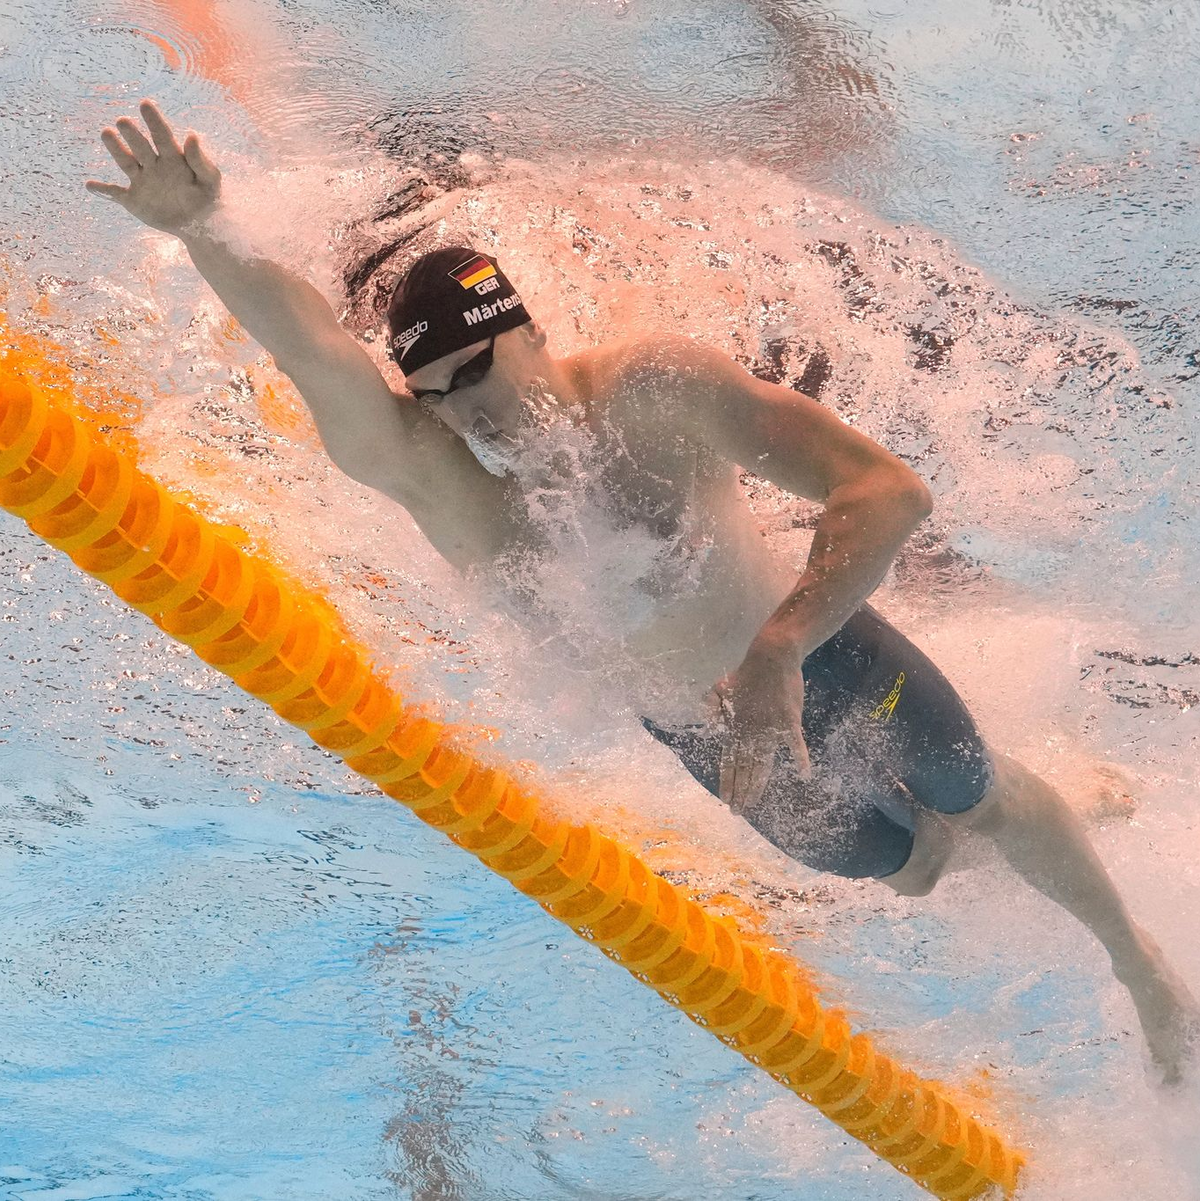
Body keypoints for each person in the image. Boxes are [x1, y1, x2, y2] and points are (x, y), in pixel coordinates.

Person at [86, 99, 1199, 1087]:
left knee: (975, 791)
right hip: (725, 751)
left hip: (828, 656)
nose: (467, 411)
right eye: (435, 394)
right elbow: (319, 355)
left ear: (527, 330)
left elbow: (889, 491)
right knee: (912, 870)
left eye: (478, 370)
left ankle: (1136, 962)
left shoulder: (654, 394)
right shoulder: (451, 487)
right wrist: (205, 235)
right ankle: (1013, 832)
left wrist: (779, 648)